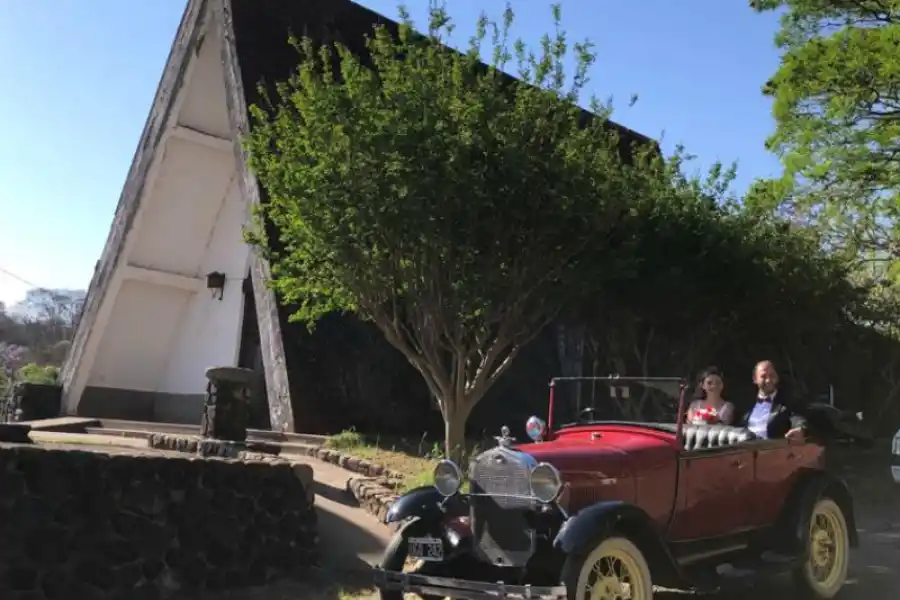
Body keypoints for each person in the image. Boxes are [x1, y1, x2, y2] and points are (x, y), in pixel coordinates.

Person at [740, 360, 807, 441]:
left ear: (777, 378)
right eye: (763, 376)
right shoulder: (745, 404)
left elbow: (797, 418)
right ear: (755, 379)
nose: (768, 380)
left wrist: (800, 429)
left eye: (772, 376)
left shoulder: (787, 402)